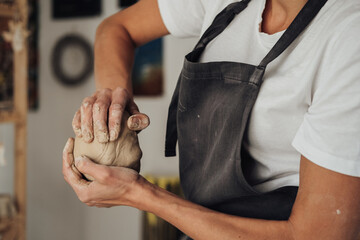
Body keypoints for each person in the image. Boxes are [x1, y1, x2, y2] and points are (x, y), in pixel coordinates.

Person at [62, 0, 360, 239]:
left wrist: (137, 193)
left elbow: (315, 235)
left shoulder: (348, 34)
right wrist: (113, 98)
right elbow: (116, 28)